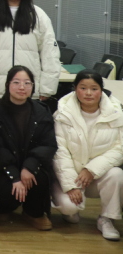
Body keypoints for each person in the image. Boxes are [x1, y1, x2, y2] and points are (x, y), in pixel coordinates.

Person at [52, 70, 123, 241]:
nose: (88, 93)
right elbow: (60, 152)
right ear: (75, 89)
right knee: (70, 208)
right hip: (70, 175)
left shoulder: (116, 114)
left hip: (96, 176)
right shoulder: (62, 114)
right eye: (83, 88)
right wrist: (71, 185)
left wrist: (91, 170)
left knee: (117, 174)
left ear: (101, 90)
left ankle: (106, 219)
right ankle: (70, 211)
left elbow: (119, 149)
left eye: (94, 88)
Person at [0, 66, 57, 230]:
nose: (22, 87)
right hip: (5, 167)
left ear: (33, 86)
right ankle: (4, 208)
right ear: (8, 85)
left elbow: (48, 144)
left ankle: (33, 213)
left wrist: (29, 167)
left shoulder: (41, 111)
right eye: (16, 82)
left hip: (32, 165)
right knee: (6, 189)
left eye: (27, 83)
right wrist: (14, 175)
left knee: (39, 179)